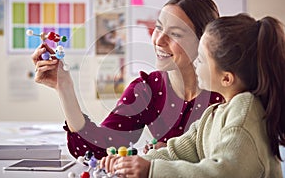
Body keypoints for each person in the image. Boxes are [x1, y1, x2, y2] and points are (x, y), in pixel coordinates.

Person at [31, 0, 224, 159]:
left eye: (175, 33)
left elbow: (234, 160)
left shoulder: (227, 93)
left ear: (203, 42)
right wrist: (64, 86)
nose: (159, 40)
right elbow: (97, 149)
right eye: (158, 27)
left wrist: (168, 154)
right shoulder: (147, 89)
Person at [100, 13, 285, 177]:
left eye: (202, 59)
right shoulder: (215, 113)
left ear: (226, 79)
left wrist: (151, 170)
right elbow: (176, 151)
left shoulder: (244, 115)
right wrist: (132, 163)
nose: (195, 62)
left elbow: (221, 173)